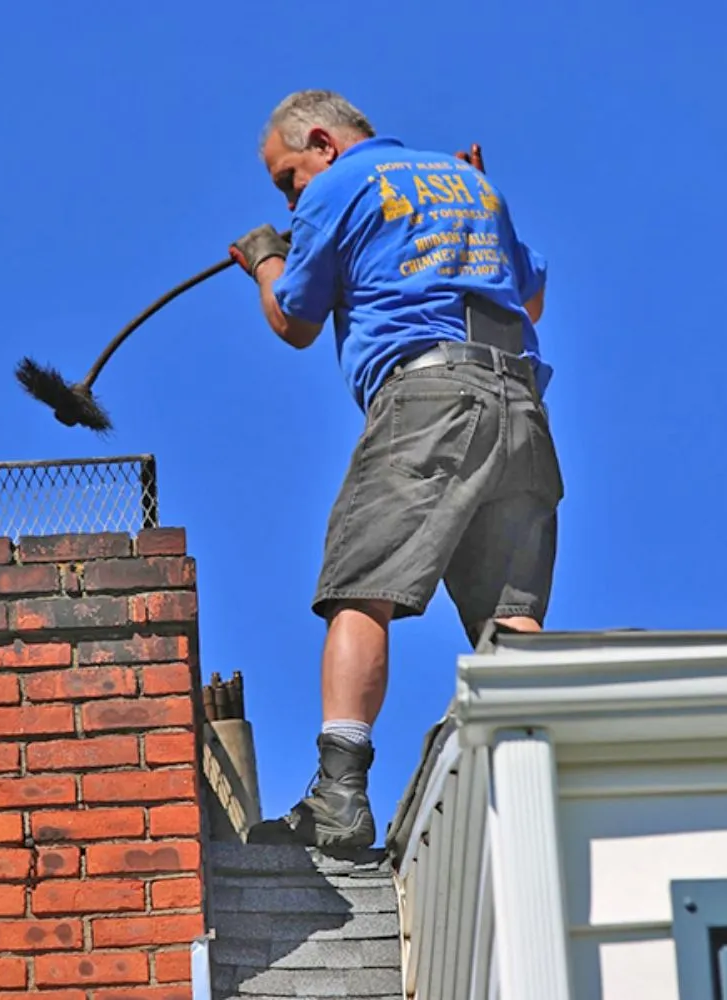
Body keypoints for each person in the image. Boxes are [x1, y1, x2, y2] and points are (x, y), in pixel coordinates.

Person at [229, 90, 564, 850]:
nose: (293, 198)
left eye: (288, 178)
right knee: (509, 618)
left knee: (361, 586)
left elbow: (295, 321)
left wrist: (265, 258)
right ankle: (532, 787)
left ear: (321, 142)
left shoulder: (340, 185)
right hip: (520, 406)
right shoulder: (470, 181)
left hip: (429, 397)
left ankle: (339, 798)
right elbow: (532, 298)